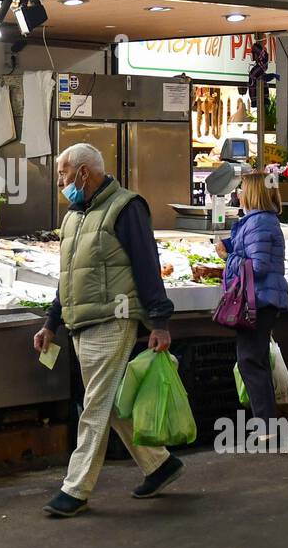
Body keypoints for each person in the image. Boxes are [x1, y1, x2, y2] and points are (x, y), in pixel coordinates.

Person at [32, 143, 179, 518]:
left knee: (94, 406)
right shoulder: (73, 217)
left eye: (64, 173)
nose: (61, 182)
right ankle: (160, 465)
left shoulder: (127, 208)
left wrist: (159, 322)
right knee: (110, 402)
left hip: (114, 320)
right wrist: (52, 321)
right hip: (81, 324)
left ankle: (75, 489)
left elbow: (148, 264)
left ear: (84, 172)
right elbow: (69, 278)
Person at [213, 173, 288, 419]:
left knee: (250, 362)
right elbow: (251, 249)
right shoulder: (259, 221)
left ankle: (266, 426)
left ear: (254, 193)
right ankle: (268, 424)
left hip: (258, 300)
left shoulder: (260, 222)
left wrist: (228, 258)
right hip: (261, 298)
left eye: (242, 189)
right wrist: (230, 244)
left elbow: (258, 266)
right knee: (256, 361)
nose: (238, 194)